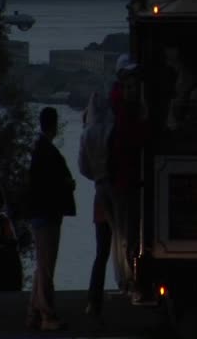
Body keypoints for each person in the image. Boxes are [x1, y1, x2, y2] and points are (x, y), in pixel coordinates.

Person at [25, 107, 76, 331]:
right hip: (47, 216)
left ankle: (35, 312)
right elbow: (52, 183)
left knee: (41, 266)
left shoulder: (39, 151)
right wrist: (67, 184)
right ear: (54, 125)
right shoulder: (48, 153)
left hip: (39, 214)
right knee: (46, 267)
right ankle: (47, 315)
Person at [108, 54, 148, 299]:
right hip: (126, 180)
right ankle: (129, 278)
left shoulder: (118, 108)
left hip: (121, 180)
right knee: (127, 231)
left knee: (123, 232)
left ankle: (128, 277)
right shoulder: (125, 111)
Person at [78, 92, 114, 320]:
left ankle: (94, 300)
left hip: (100, 192)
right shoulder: (112, 131)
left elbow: (83, 167)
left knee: (101, 252)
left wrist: (97, 176)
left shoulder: (87, 135)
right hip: (118, 190)